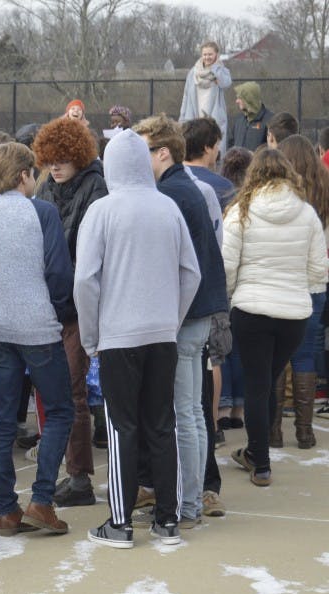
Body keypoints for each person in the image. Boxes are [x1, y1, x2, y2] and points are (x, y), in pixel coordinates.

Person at [75, 129, 201, 548]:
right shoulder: (168, 207)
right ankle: (168, 520)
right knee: (162, 425)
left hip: (117, 337)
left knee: (121, 429)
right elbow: (191, 273)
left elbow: (85, 280)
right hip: (162, 334)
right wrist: (171, 319)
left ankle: (120, 522)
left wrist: (91, 336)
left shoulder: (102, 211)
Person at [132, 114, 226, 529]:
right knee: (192, 412)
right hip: (198, 311)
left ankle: (188, 505)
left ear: (163, 153)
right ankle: (191, 499)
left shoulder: (171, 194)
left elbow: (177, 265)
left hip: (185, 315)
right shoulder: (184, 189)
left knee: (184, 414)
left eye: (145, 152)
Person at [0, 143, 74, 537]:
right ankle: (42, 499)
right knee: (60, 410)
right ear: (23, 175)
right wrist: (56, 308)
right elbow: (59, 272)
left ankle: (7, 510)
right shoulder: (43, 212)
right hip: (38, 324)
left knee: (1, 421)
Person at [223, 149, 327, 486]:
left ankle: (260, 460)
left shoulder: (241, 210)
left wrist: (232, 295)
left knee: (257, 384)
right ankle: (259, 451)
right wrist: (299, 290)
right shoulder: (307, 214)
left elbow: (227, 266)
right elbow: (318, 268)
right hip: (293, 313)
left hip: (251, 309)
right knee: (268, 380)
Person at [33, 117, 108, 507]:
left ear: (78, 155)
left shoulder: (96, 187)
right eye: (50, 159)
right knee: (59, 391)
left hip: (80, 304)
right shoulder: (45, 187)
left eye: (62, 158)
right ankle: (72, 471)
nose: (55, 166)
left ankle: (80, 478)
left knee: (75, 391)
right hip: (50, 303)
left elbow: (93, 252)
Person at [268, 135, 329, 449]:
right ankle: (305, 432)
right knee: (305, 354)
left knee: (277, 355)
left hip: (282, 280)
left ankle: (274, 431)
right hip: (315, 282)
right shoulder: (324, 189)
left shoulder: (279, 194)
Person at [179, 40, 232, 157]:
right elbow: (186, 96)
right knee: (194, 154)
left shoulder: (221, 71)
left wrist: (216, 68)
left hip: (214, 121)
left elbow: (226, 83)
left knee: (213, 154)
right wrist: (182, 119)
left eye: (210, 54)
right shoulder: (193, 73)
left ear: (216, 55)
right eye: (205, 54)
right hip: (194, 118)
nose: (207, 57)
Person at [183, 117, 235, 209]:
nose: (218, 150)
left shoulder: (165, 178)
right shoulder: (223, 186)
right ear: (207, 148)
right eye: (217, 144)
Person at [230, 82, 272, 151]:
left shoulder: (270, 120)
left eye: (239, 98)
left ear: (249, 99)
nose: (236, 101)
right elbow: (231, 145)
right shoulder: (239, 120)